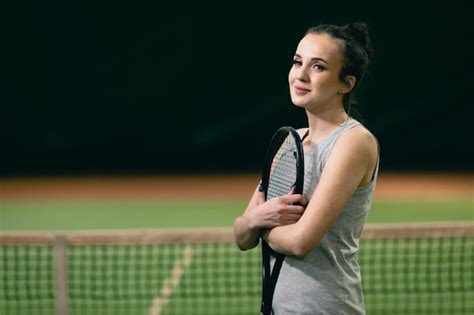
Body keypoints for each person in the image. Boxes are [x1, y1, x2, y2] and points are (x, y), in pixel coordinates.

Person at [233, 22, 379, 314]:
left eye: (318, 67)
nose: (300, 75)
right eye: (298, 62)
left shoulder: (354, 141)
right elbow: (240, 235)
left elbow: (300, 241)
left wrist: (258, 224)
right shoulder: (291, 142)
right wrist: (255, 221)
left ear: (346, 83)